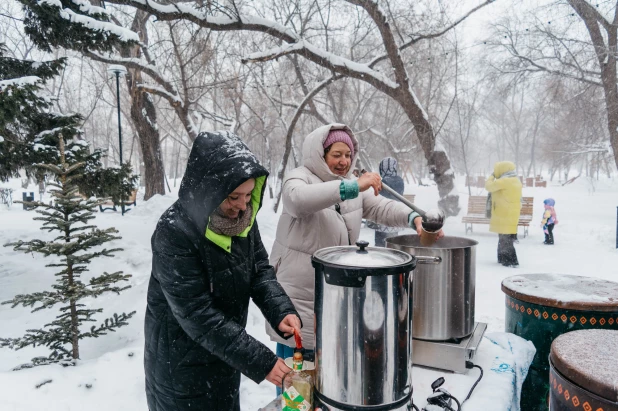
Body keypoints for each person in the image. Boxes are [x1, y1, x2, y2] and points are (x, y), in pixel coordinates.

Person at [145, 131, 302, 411]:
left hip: (225, 357)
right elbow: (197, 314)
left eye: (248, 195)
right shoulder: (173, 233)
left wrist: (281, 310)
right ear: (209, 191)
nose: (243, 205)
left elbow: (259, 272)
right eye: (234, 196)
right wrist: (261, 362)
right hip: (181, 371)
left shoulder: (241, 220)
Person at [266, 124, 444, 368]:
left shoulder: (351, 184)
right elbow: (297, 200)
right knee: (295, 373)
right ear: (320, 154)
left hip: (335, 289)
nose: (344, 161)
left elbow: (382, 207)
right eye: (336, 155)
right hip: (299, 292)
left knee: (330, 373)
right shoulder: (300, 177)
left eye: (348, 155)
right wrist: (352, 186)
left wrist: (414, 218)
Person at [485, 161, 522, 268]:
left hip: (504, 214)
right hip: (510, 214)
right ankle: (503, 258)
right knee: (505, 238)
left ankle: (510, 261)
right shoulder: (515, 180)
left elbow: (489, 186)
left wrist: (492, 176)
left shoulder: (505, 181)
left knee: (505, 239)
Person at [368, 157, 406, 247]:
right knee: (393, 244)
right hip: (395, 219)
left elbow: (377, 198)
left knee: (380, 247)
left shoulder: (382, 182)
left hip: (382, 220)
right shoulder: (400, 181)